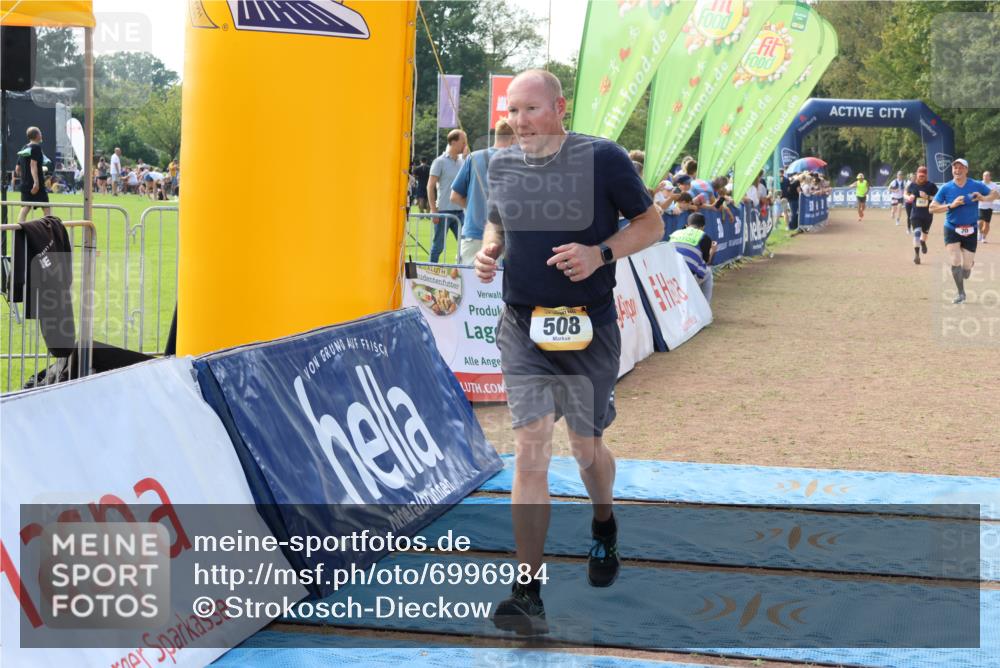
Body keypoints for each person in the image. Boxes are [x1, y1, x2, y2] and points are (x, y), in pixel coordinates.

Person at [474, 69, 662, 636]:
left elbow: (652, 224)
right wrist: (489, 250)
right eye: (512, 111)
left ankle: (604, 522)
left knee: (586, 451)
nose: (519, 121)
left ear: (560, 108)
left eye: (531, 110)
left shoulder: (602, 158)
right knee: (530, 448)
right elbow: (496, 221)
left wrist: (600, 254)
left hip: (588, 330)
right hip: (523, 327)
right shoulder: (501, 162)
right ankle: (527, 592)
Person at [929, 158, 999, 303]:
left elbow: (996, 194)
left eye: (961, 168)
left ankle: (968, 267)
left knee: (966, 269)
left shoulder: (975, 184)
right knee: (955, 260)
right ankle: (961, 293)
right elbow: (932, 208)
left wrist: (984, 198)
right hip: (952, 228)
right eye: (955, 168)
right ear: (952, 170)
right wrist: (951, 205)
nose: (957, 170)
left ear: (966, 170)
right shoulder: (946, 188)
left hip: (971, 230)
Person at [450, 118, 515, 265]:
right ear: (512, 138)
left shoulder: (474, 158)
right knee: (499, 287)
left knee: (468, 285)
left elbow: (454, 196)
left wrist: (474, 207)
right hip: (502, 240)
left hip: (472, 234)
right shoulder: (517, 162)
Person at [427, 129, 467, 263]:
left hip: (460, 212)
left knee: (465, 246)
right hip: (443, 212)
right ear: (453, 142)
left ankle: (462, 275)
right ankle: (431, 275)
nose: (465, 145)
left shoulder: (463, 162)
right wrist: (433, 210)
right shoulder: (439, 162)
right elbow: (430, 186)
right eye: (463, 141)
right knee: (438, 247)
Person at [669, 212, 716, 301]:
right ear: (703, 227)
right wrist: (712, 250)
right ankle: (705, 308)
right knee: (708, 272)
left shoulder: (675, 233)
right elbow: (706, 261)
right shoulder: (704, 236)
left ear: (687, 225)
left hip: (669, 275)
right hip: (686, 277)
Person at [15, 127, 52, 223]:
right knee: (46, 209)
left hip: (25, 184)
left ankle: (20, 233)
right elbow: (33, 164)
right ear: (37, 135)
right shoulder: (36, 148)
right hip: (36, 185)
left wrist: (25, 178)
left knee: (25, 209)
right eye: (40, 133)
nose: (41, 134)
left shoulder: (24, 148)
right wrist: (36, 182)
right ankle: (49, 231)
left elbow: (17, 169)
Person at [904, 166, 938, 265]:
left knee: (924, 234)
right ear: (917, 175)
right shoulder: (912, 185)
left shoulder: (931, 186)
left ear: (926, 175)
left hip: (928, 214)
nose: (921, 177)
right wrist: (908, 197)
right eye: (920, 175)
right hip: (915, 214)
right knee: (917, 233)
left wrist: (927, 197)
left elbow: (938, 197)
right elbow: (905, 193)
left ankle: (923, 242)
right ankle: (917, 255)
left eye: (923, 176)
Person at [978, 171, 996, 243]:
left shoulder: (994, 185)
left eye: (987, 176)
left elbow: (996, 194)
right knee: (980, 222)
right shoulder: (980, 184)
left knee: (987, 223)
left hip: (989, 207)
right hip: (980, 206)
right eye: (984, 176)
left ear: (990, 177)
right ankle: (980, 233)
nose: (985, 177)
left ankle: (984, 237)